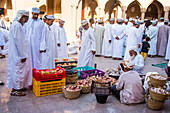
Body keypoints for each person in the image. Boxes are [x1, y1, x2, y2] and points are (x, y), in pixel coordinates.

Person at [6, 10, 32, 96]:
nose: (27, 21)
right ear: (22, 17)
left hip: (17, 53)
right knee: (18, 71)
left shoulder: (17, 25)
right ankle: (15, 90)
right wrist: (23, 55)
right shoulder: (17, 26)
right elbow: (19, 42)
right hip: (18, 54)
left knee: (19, 71)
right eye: (26, 18)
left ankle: (19, 87)